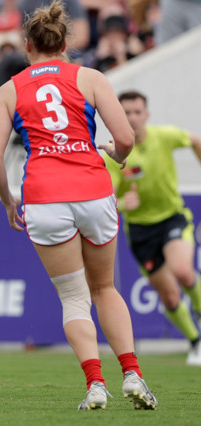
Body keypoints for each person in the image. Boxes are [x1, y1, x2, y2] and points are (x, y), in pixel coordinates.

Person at [0, 0, 157, 410]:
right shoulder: (91, 77)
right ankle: (132, 373)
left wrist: (9, 200)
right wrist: (116, 155)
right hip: (93, 189)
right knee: (105, 288)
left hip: (44, 197)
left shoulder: (10, 90)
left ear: (27, 45)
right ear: (65, 44)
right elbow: (126, 138)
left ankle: (96, 384)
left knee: (74, 298)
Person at [103, 90, 201, 366]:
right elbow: (107, 195)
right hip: (141, 232)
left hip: (172, 218)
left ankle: (199, 309)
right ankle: (196, 342)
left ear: (146, 115)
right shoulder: (114, 151)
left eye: (137, 112)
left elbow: (195, 139)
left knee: (183, 270)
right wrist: (122, 202)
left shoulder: (164, 136)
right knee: (169, 296)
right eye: (126, 113)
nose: (132, 118)